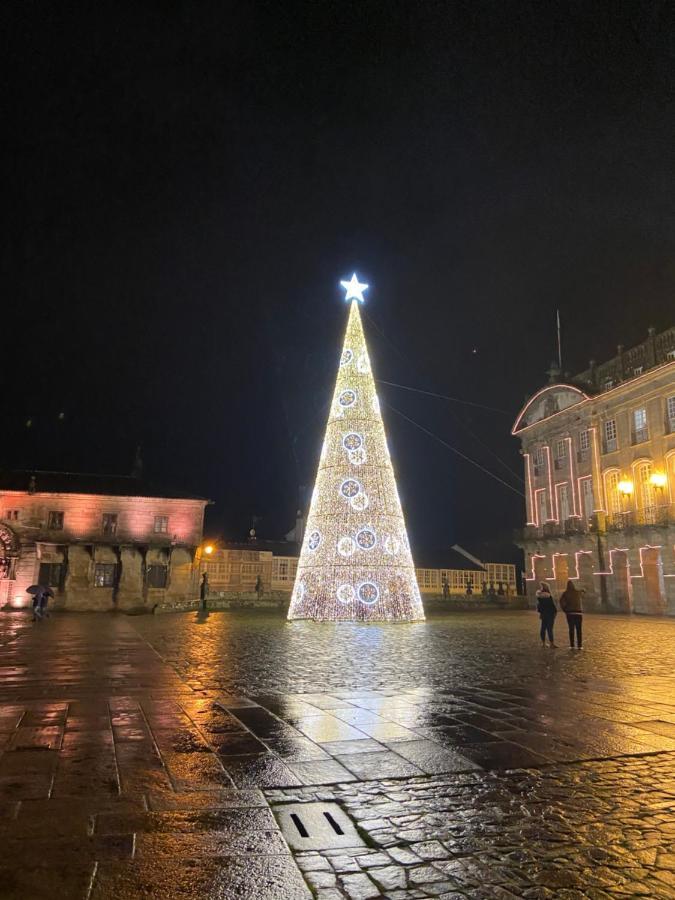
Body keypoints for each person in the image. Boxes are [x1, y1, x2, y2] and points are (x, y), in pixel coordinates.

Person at [559, 580, 584, 649]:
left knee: (571, 629)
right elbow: (583, 594)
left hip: (570, 613)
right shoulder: (577, 592)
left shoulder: (565, 593)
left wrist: (565, 609)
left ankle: (572, 645)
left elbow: (561, 602)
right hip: (578, 613)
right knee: (579, 630)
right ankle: (580, 645)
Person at [535, 581, 557, 647]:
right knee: (549, 629)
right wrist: (555, 612)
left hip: (543, 614)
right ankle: (552, 643)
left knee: (543, 628)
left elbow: (539, 606)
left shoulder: (539, 597)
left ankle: (543, 643)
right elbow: (552, 605)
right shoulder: (548, 596)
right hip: (550, 614)